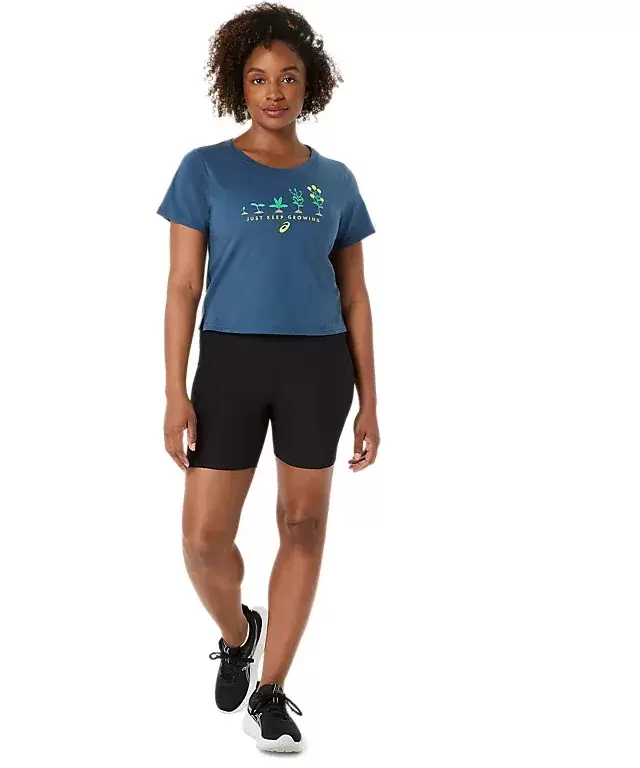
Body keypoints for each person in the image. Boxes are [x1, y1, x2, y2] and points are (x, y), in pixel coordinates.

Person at [157, 2, 379, 753]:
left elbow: (355, 296)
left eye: (288, 77)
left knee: (303, 525)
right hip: (229, 363)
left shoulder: (337, 180)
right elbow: (182, 287)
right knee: (202, 540)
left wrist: (371, 402)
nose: (274, 92)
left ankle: (273, 692)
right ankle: (238, 632)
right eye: (258, 78)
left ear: (310, 85)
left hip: (319, 366)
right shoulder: (204, 169)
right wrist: (174, 392)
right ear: (237, 85)